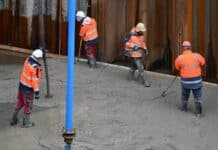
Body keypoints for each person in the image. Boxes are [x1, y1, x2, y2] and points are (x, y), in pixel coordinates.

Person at [10, 49, 43, 127]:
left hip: (21, 85)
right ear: (38, 58)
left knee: (20, 102)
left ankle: (13, 119)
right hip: (28, 89)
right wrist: (37, 92)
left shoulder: (27, 59)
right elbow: (34, 81)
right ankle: (26, 123)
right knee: (28, 105)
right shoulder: (35, 67)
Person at [175, 41, 205, 117]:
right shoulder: (197, 56)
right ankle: (198, 113)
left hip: (185, 82)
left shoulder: (179, 58)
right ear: (190, 48)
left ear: (183, 48)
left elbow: (177, 67)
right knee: (197, 96)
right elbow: (203, 62)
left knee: (184, 95)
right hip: (197, 82)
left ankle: (184, 108)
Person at [124, 22, 150, 87]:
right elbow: (126, 43)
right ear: (138, 30)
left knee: (133, 66)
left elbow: (142, 42)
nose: (142, 32)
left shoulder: (141, 34)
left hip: (139, 53)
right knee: (141, 67)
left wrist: (145, 49)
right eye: (141, 31)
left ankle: (130, 78)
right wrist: (133, 46)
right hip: (133, 53)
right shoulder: (131, 34)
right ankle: (144, 81)